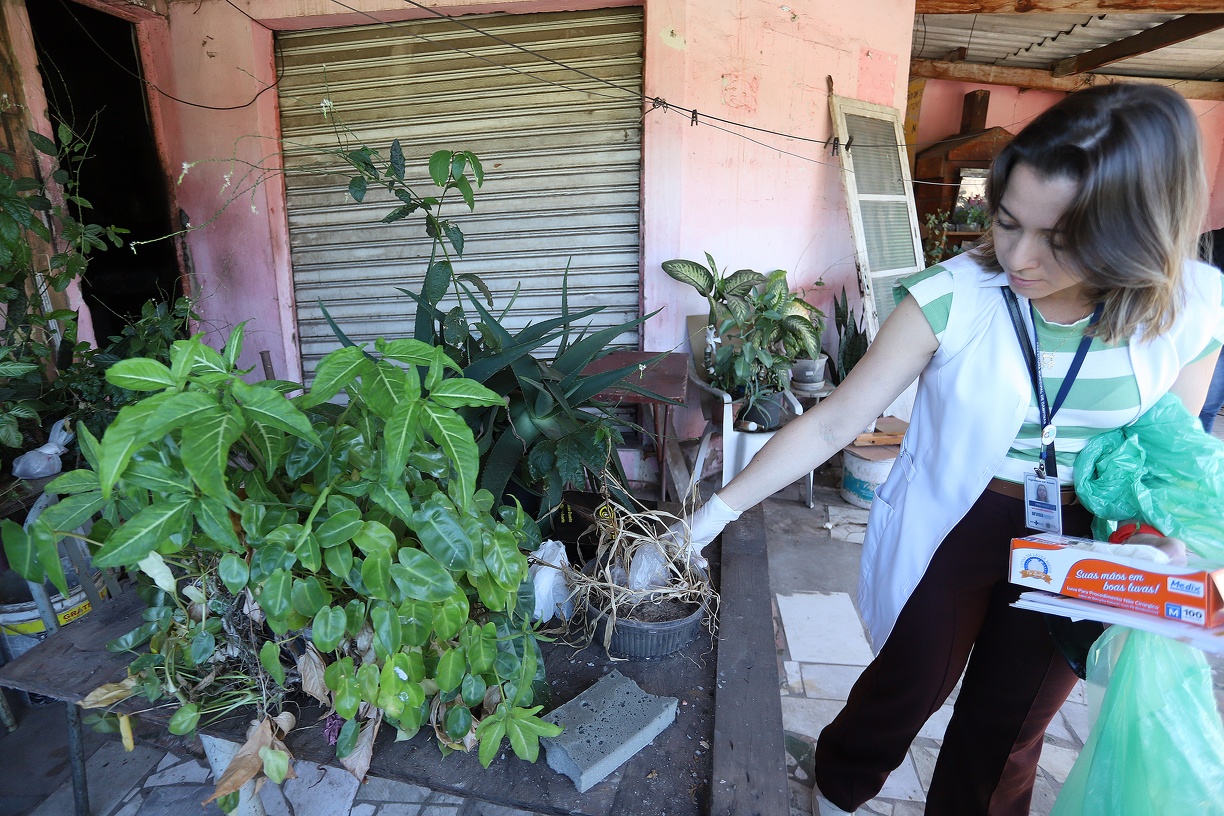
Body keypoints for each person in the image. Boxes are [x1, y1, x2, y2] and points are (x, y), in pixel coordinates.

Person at [659, 84, 1224, 816]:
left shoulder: (1188, 309)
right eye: (1008, 221)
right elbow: (834, 423)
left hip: (1079, 537)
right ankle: (837, 784)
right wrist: (710, 517)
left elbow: (1168, 458)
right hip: (960, 518)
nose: (1019, 257)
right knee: (910, 681)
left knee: (1009, 730)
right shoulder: (954, 296)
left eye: (1058, 239)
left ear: (1131, 235)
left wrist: (1157, 543)